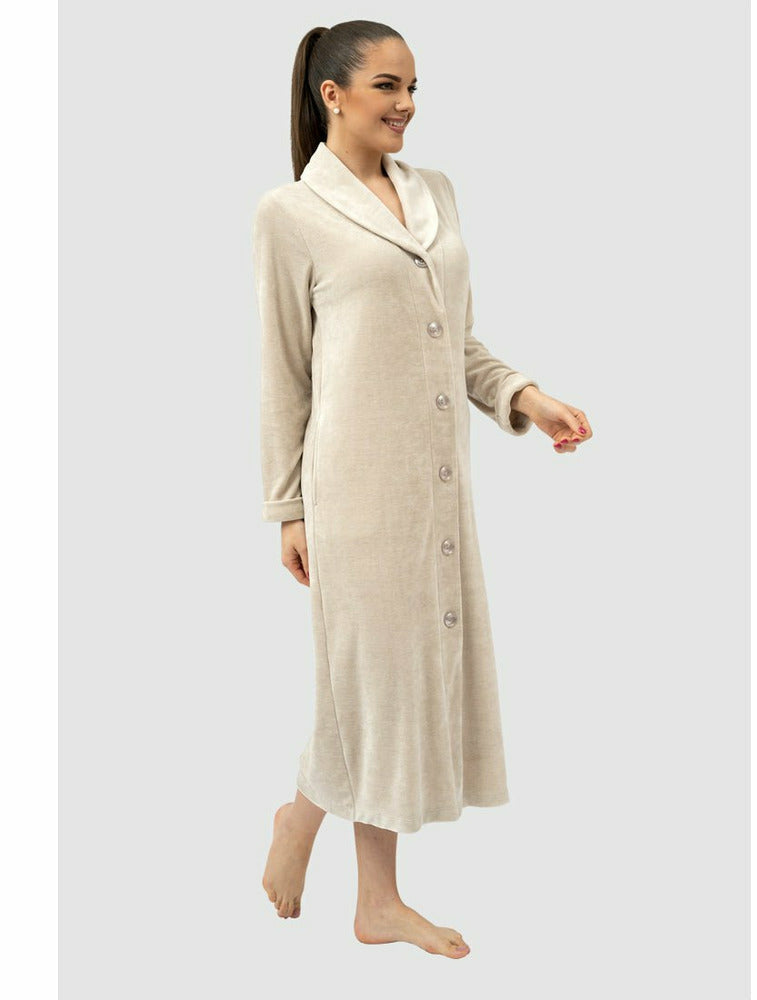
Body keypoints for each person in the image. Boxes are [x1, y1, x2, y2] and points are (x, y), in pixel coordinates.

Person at [251, 20, 592, 957]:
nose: (405, 105)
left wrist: (526, 398)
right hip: (354, 490)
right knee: (369, 683)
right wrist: (287, 508)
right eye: (387, 86)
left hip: (437, 487)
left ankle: (375, 902)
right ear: (333, 94)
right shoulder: (290, 213)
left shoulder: (434, 192)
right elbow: (284, 373)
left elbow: (458, 341)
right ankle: (303, 819)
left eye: (413, 89)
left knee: (400, 690)